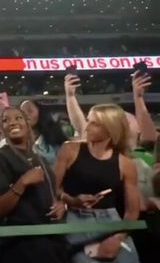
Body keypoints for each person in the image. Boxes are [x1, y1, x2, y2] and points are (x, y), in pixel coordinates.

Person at [55, 104, 140, 263]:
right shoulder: (70, 150)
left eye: (94, 123)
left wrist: (118, 237)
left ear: (110, 129)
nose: (86, 127)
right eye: (88, 121)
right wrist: (71, 200)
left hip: (111, 222)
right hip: (76, 219)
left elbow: (132, 211)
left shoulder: (125, 164)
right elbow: (54, 187)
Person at [0, 107, 67, 263]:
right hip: (21, 245)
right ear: (1, 129)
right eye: (5, 120)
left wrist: (61, 205)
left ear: (28, 124)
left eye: (18, 118)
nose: (12, 123)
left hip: (52, 241)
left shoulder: (40, 158)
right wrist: (22, 183)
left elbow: (54, 193)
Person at [19, 99, 68, 167]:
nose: (26, 115)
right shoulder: (17, 140)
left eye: (29, 111)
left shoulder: (55, 138)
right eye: (22, 113)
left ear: (41, 112)